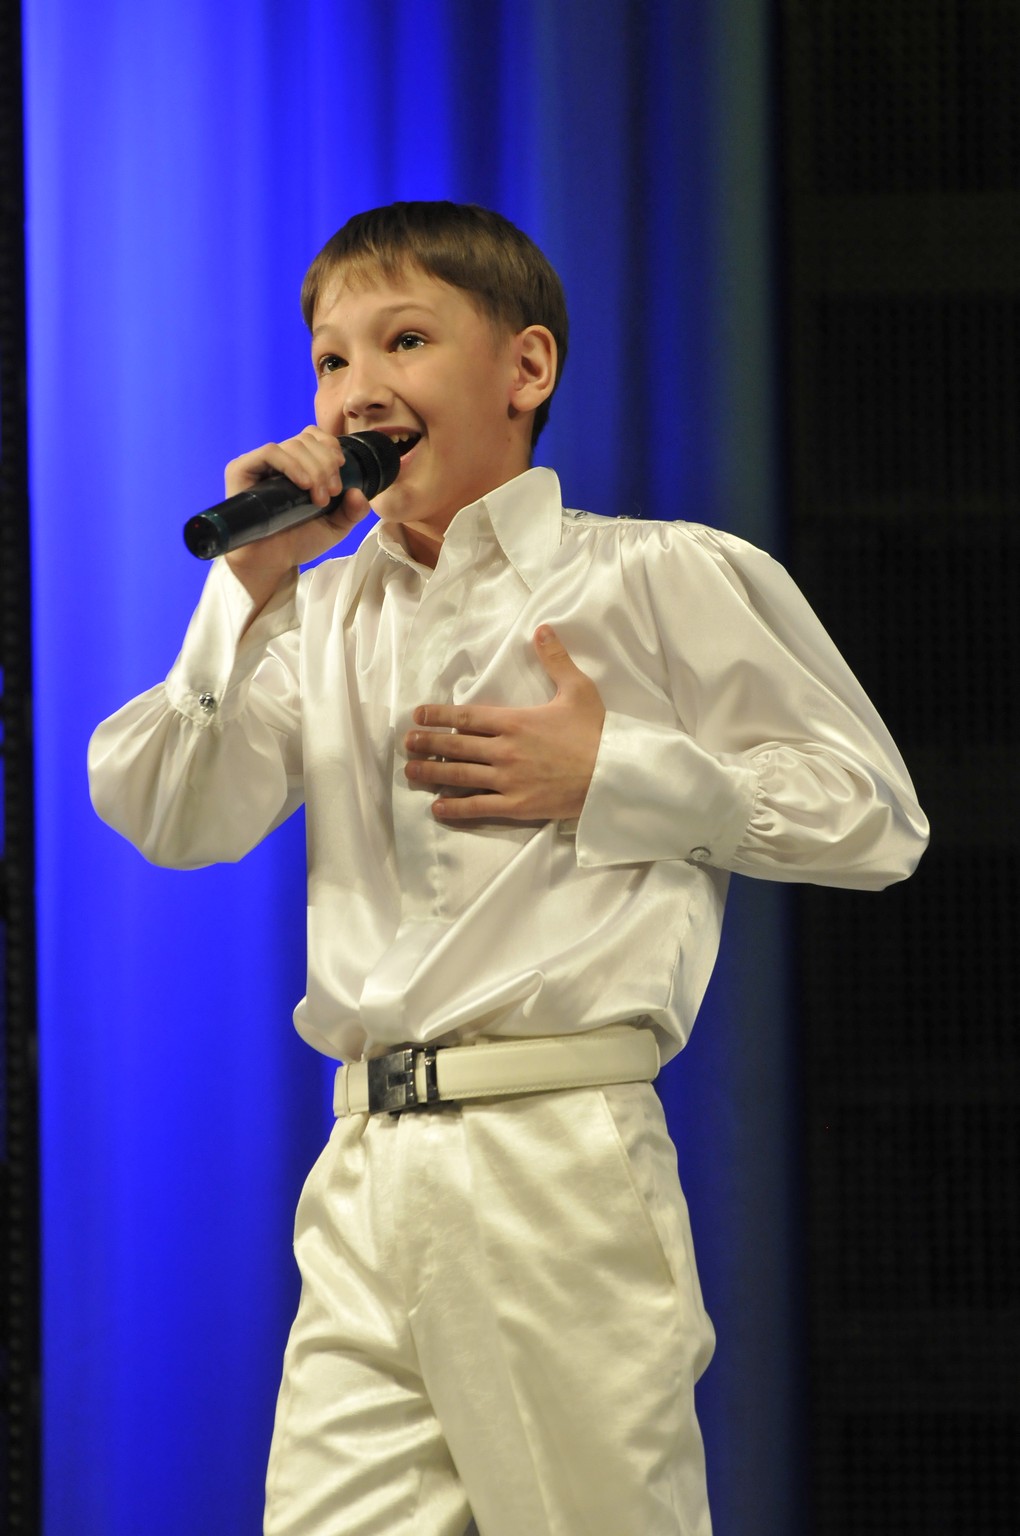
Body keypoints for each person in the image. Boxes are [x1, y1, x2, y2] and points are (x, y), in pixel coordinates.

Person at [88, 201, 928, 1536]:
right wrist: (240, 592)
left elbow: (875, 818)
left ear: (526, 368)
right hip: (363, 1172)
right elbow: (166, 810)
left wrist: (615, 772)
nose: (358, 389)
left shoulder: (654, 577)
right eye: (331, 359)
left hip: (555, 1157)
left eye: (405, 341)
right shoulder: (318, 619)